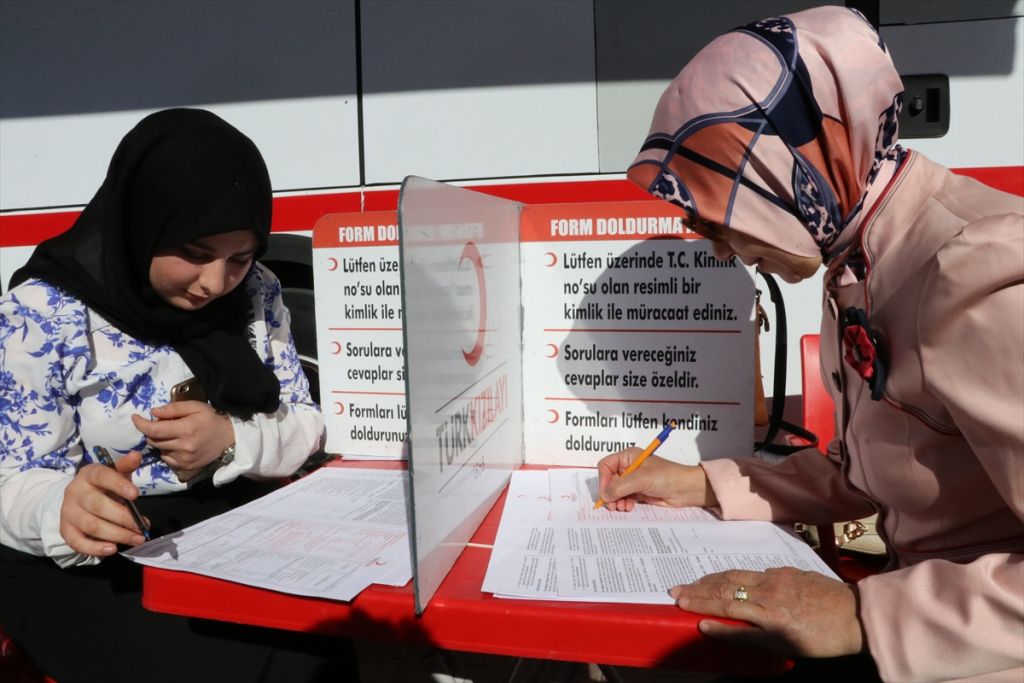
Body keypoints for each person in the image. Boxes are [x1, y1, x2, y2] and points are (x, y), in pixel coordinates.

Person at [597, 6, 1023, 683]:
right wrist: (702, 482)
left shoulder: (980, 269)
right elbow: (871, 472)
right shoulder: (860, 257)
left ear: (786, 167)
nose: (717, 248)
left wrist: (864, 615)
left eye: (721, 213)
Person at [0, 109, 358, 682]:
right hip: (84, 558)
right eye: (194, 253)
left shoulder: (257, 292)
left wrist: (231, 440)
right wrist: (64, 505)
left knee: (320, 643)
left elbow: (305, 423)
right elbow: (11, 477)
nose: (215, 283)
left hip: (223, 523)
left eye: (239, 257)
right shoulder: (43, 315)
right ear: (141, 224)